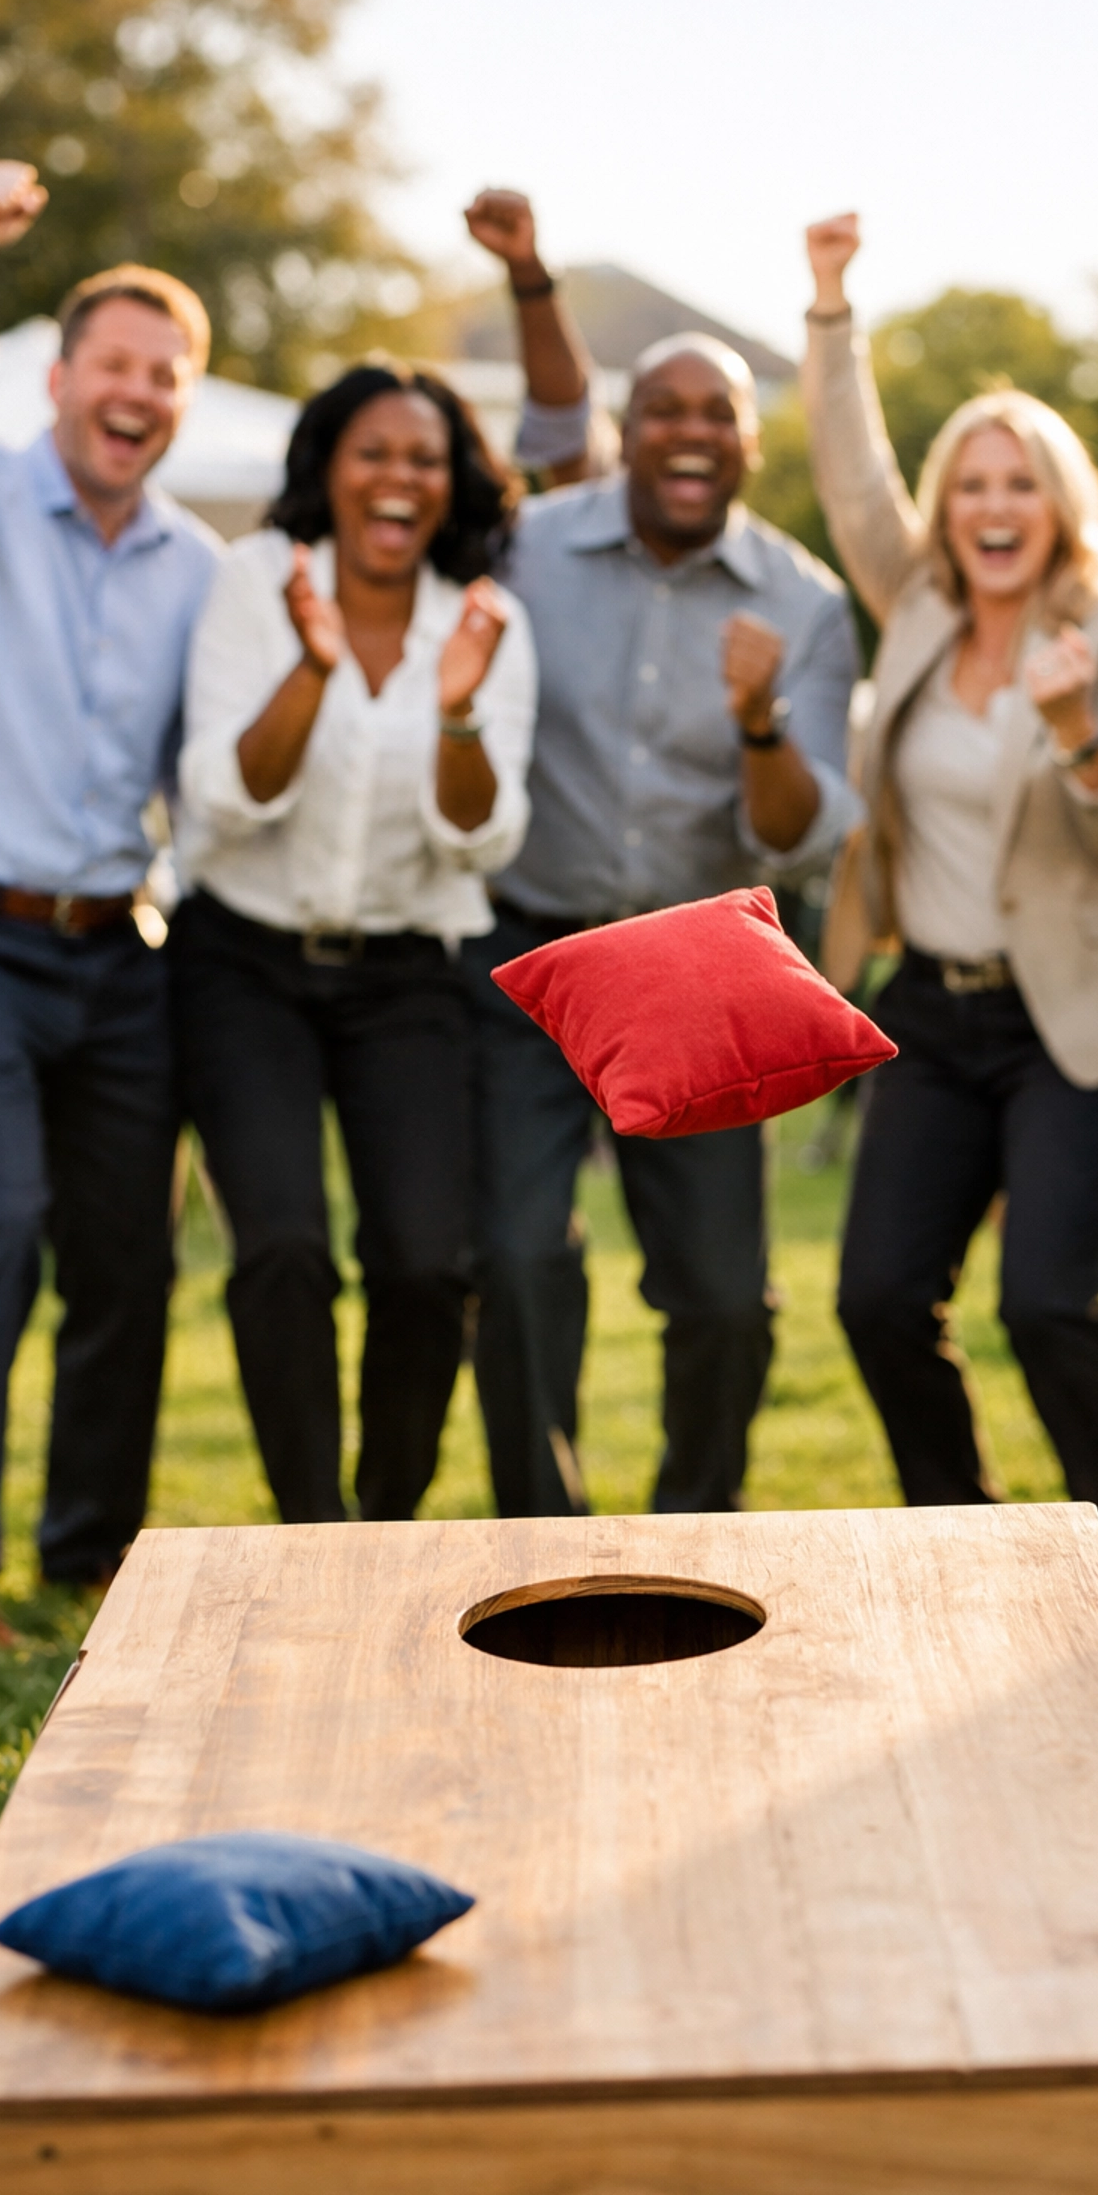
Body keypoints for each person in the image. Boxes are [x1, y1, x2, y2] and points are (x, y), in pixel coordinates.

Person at [803, 212, 1098, 1622]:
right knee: (878, 1298)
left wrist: (1082, 724)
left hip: (1086, 1012)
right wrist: (833, 308)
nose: (991, 504)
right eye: (969, 479)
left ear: (1059, 499)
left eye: (1017, 480)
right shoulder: (912, 605)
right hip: (933, 1003)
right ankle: (964, 1547)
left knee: (1045, 1303)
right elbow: (848, 479)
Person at [458, 188, 861, 1517]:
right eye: (669, 412)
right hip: (533, 946)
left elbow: (798, 831)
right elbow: (546, 416)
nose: (692, 435)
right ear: (635, 435)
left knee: (726, 1300)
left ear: (753, 442)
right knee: (515, 1258)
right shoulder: (531, 545)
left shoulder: (801, 605)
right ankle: (539, 1529)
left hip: (696, 960)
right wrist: (531, 280)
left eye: (720, 416)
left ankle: (700, 1524)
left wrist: (759, 727)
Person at [0, 159, 220, 1645]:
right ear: (63, 375)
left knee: (127, 1255)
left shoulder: (201, 569)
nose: (137, 392)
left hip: (117, 952)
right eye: (114, 364)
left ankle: (94, 1554)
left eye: (167, 373)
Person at [172, 363, 535, 1525]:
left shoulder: (483, 619)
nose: (398, 478)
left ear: (451, 483)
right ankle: (309, 1530)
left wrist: (459, 707)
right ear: (327, 467)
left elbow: (477, 836)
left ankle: (384, 1525)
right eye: (372, 451)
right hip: (245, 965)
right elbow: (228, 799)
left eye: (424, 458)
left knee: (428, 1263)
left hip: (406, 978)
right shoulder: (252, 585)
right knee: (282, 1251)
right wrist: (316, 666)